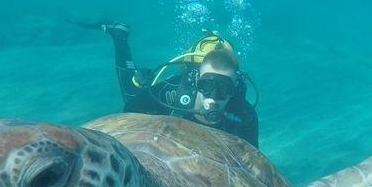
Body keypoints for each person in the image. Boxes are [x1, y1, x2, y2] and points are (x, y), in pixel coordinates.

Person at [98, 22, 259, 147]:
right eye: (206, 86)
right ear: (196, 81)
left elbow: (253, 162)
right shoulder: (175, 92)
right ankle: (120, 38)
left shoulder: (245, 115)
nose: (214, 98)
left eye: (225, 88)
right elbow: (130, 110)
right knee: (130, 96)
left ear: (235, 87)